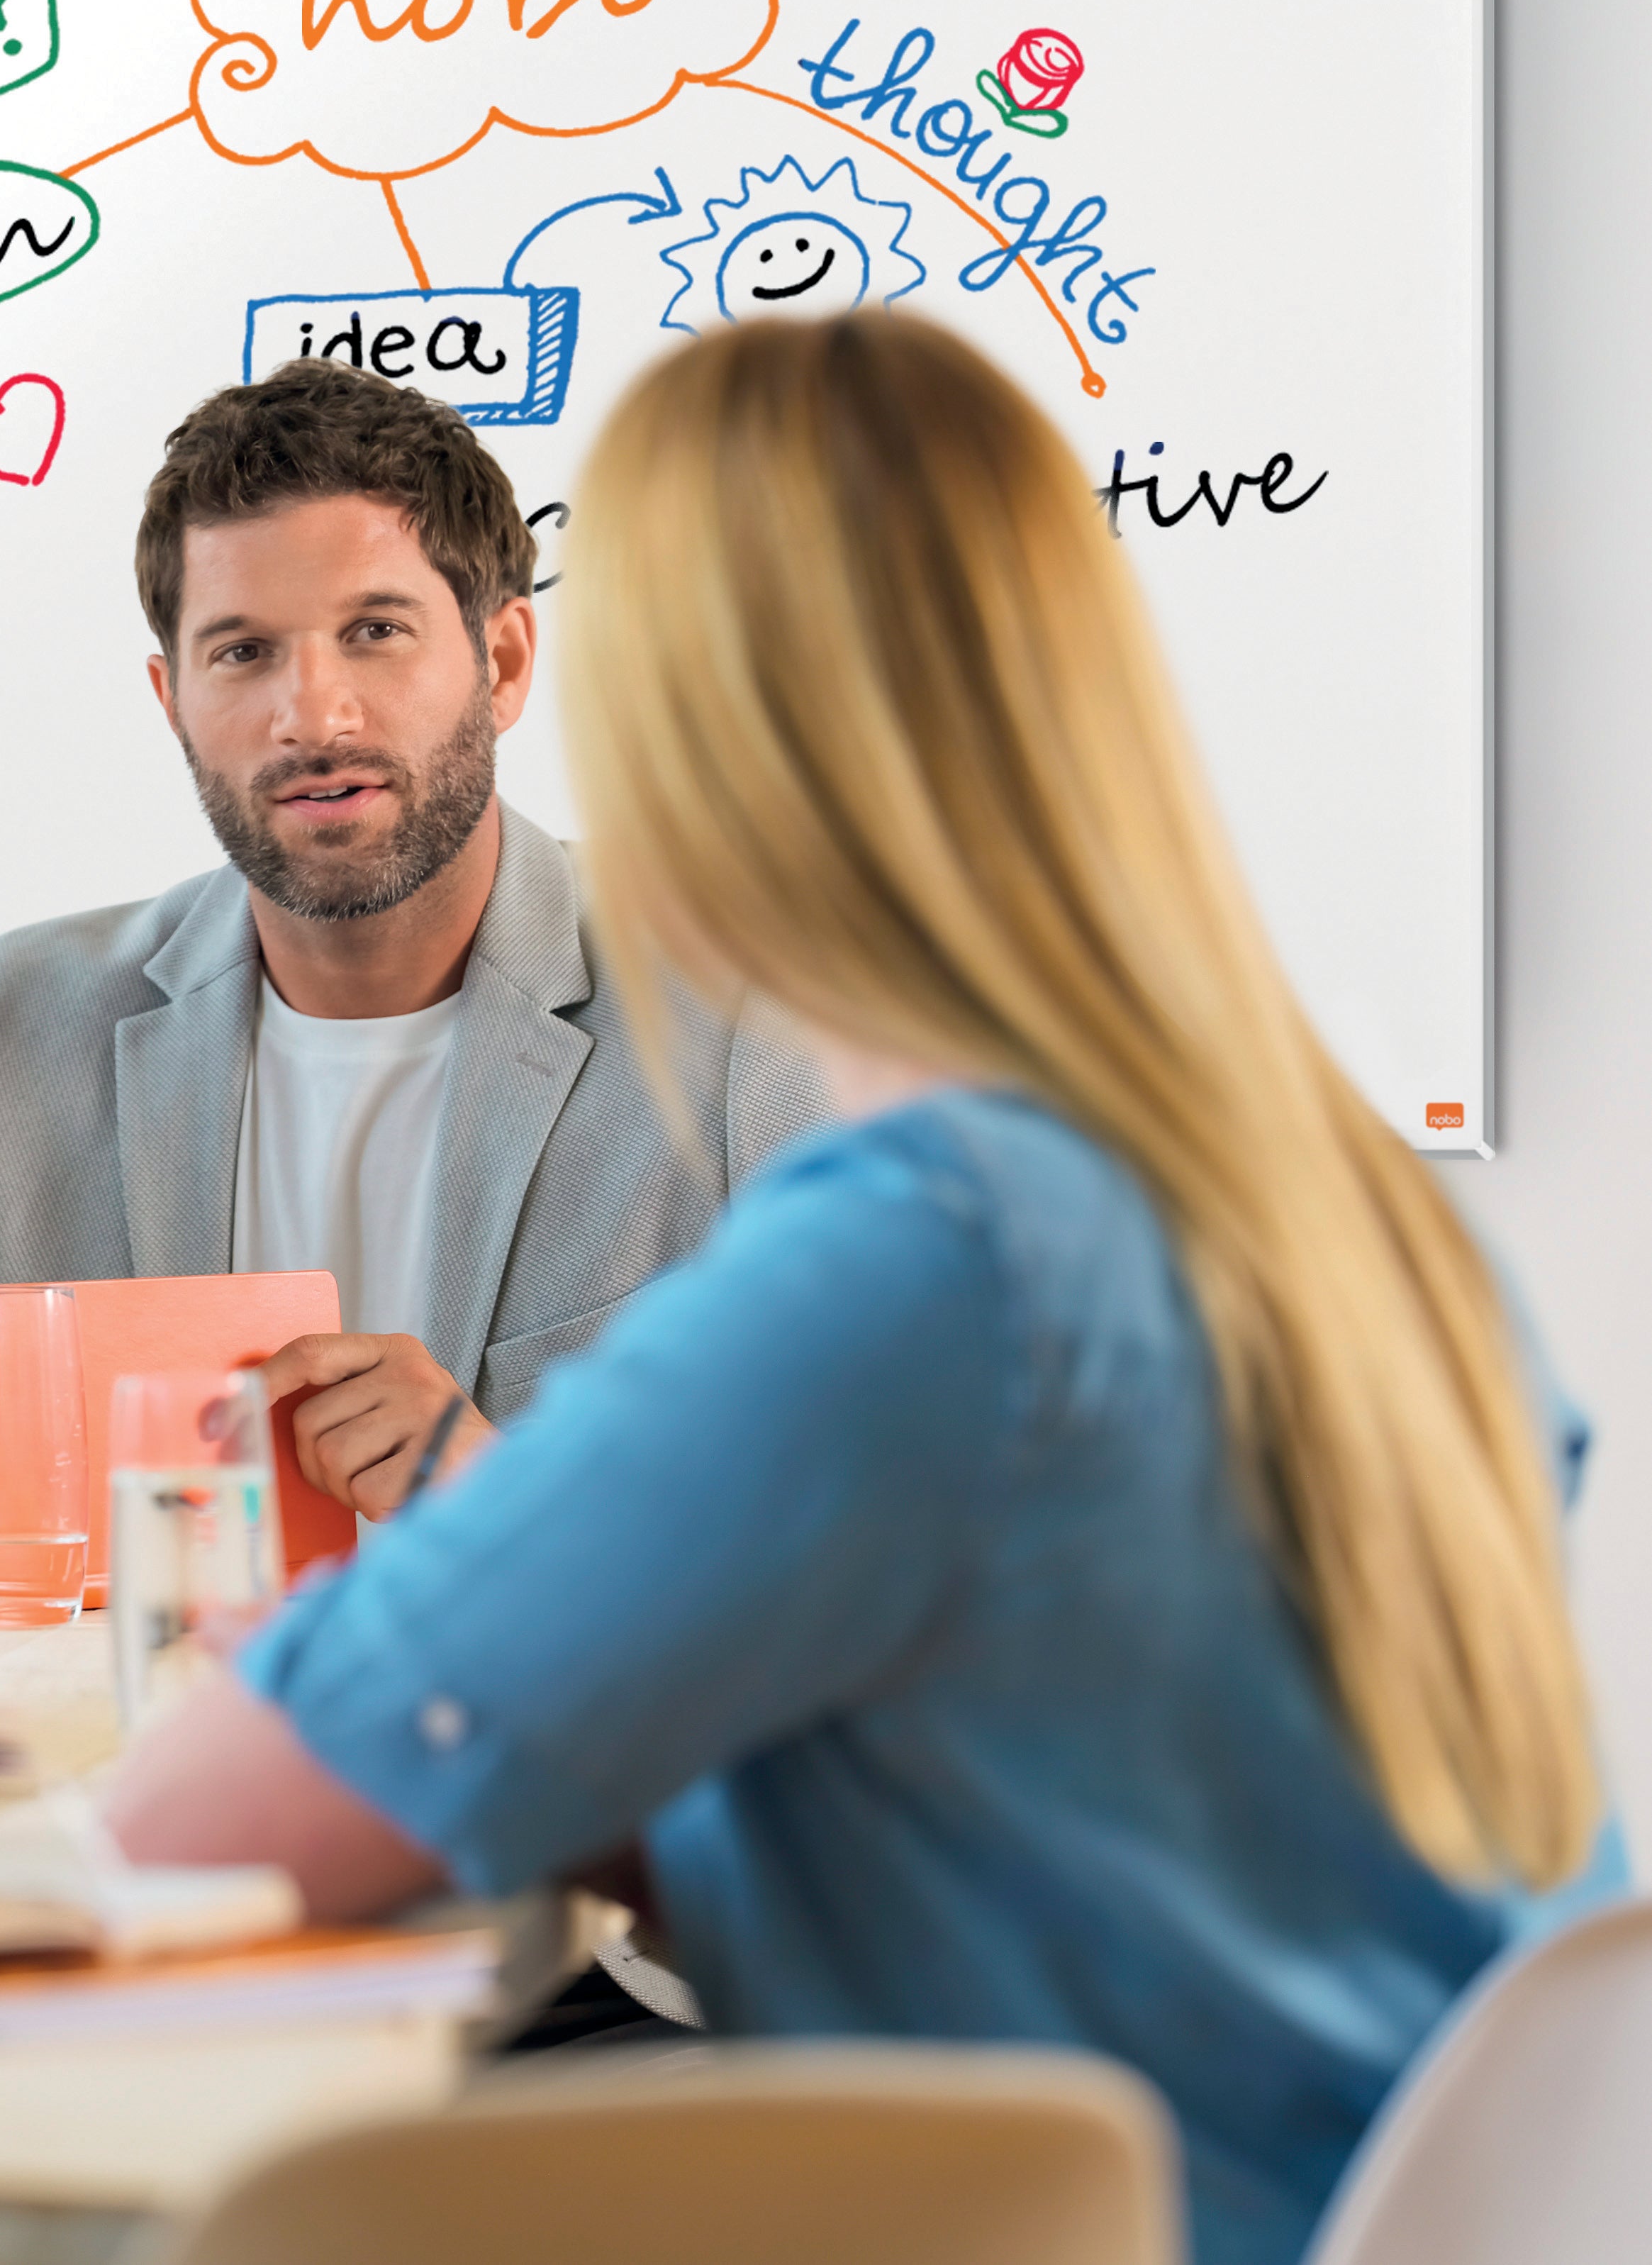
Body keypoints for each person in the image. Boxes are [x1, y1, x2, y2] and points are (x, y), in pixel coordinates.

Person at [104, 310, 1622, 2265]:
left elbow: (196, 1838)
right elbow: (1077, 1819)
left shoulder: (922, 1260)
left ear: (687, 746)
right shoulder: (1362, 1219)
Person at [0, 360, 821, 1571]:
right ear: (173, 700)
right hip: (141, 1689)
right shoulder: (18, 1021)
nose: (312, 717)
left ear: (506, 662)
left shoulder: (752, 1012)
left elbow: (911, 1482)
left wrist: (528, 1497)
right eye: (243, 652)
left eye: (375, 633)